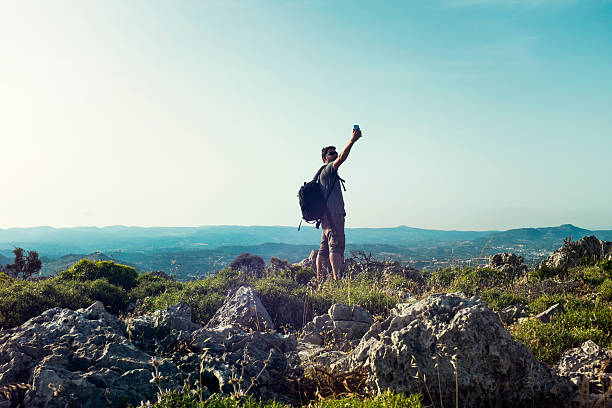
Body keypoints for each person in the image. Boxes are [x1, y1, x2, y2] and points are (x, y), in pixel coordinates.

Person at [316, 127, 362, 282]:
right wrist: (352, 140)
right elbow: (342, 157)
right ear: (324, 158)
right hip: (333, 214)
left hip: (326, 216)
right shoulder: (328, 170)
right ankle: (337, 280)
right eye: (330, 153)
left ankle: (320, 281)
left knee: (323, 249)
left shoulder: (325, 173)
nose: (334, 154)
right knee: (336, 246)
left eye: (334, 152)